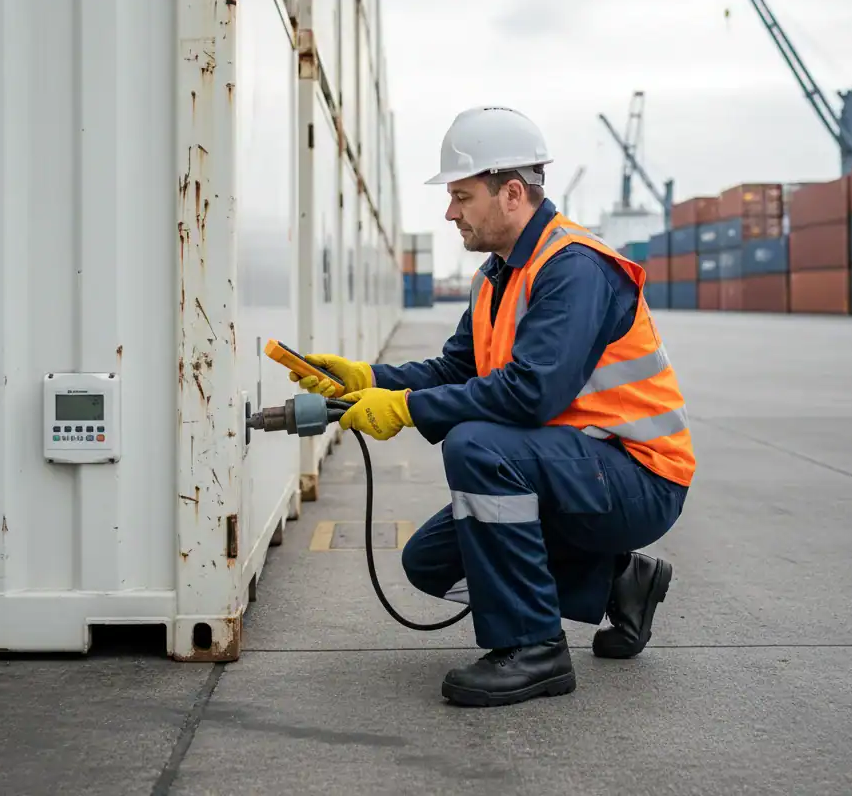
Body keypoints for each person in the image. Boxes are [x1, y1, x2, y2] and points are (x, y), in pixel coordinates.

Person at [291, 106, 694, 708]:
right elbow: (456, 370)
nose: (450, 212)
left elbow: (532, 394)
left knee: (476, 444)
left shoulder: (574, 268)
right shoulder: (498, 276)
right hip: (572, 470)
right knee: (429, 562)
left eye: (460, 196)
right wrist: (368, 378)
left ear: (511, 193)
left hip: (637, 476)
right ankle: (619, 582)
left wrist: (405, 410)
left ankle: (534, 649)